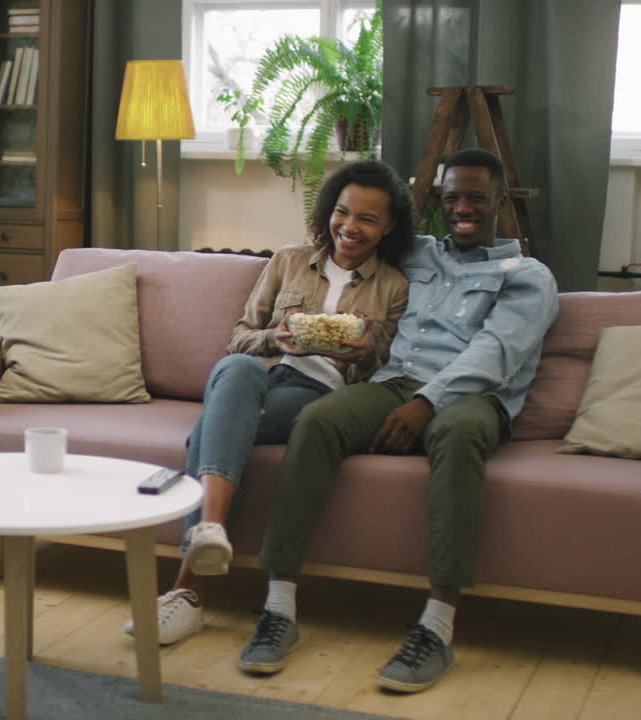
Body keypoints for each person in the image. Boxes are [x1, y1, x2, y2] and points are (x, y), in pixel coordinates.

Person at [238, 148, 559, 691]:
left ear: (499, 202)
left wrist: (428, 403)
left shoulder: (527, 276)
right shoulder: (417, 255)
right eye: (451, 196)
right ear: (437, 201)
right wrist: (293, 316)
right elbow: (347, 240)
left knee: (457, 437)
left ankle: (436, 627)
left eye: (476, 198)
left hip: (472, 398)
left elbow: (496, 353)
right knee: (317, 420)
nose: (462, 208)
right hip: (392, 385)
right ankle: (279, 610)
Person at [122, 160, 414, 646]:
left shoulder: (394, 287)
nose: (350, 227)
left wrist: (366, 353)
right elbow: (238, 337)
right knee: (234, 371)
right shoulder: (288, 260)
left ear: (389, 226)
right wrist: (275, 338)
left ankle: (185, 592)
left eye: (367, 218)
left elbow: (384, 377)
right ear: (328, 213)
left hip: (313, 391)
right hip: (256, 373)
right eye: (343, 212)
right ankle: (211, 529)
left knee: (210, 433)